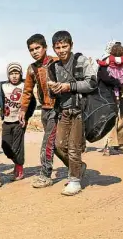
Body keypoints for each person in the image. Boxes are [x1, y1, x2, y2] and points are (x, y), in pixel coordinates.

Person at [47, 30, 96, 196]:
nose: (61, 50)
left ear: (71, 45)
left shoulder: (81, 61)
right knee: (59, 145)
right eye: (58, 47)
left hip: (80, 110)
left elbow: (92, 83)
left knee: (74, 147)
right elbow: (52, 92)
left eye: (64, 46)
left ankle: (75, 181)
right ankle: (79, 167)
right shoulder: (53, 66)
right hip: (63, 110)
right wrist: (53, 89)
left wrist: (70, 86)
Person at [19, 34, 62, 189]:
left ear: (45, 47)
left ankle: (45, 174)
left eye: (38, 48)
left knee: (48, 142)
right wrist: (23, 109)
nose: (35, 51)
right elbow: (27, 91)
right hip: (44, 109)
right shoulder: (32, 68)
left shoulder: (56, 62)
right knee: (54, 144)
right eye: (31, 50)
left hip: (59, 109)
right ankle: (76, 166)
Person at [0, 63, 36, 180]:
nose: (14, 76)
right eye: (12, 74)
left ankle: (19, 169)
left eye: (16, 73)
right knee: (5, 145)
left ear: (20, 74)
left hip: (19, 121)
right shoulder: (3, 86)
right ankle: (17, 162)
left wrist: (26, 117)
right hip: (7, 120)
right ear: (8, 75)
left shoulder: (25, 85)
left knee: (18, 146)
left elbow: (32, 103)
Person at [97, 41, 123, 156]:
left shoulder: (119, 65)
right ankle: (108, 146)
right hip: (108, 95)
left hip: (120, 94)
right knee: (111, 119)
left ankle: (121, 144)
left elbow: (121, 78)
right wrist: (118, 83)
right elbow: (106, 79)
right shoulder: (105, 65)